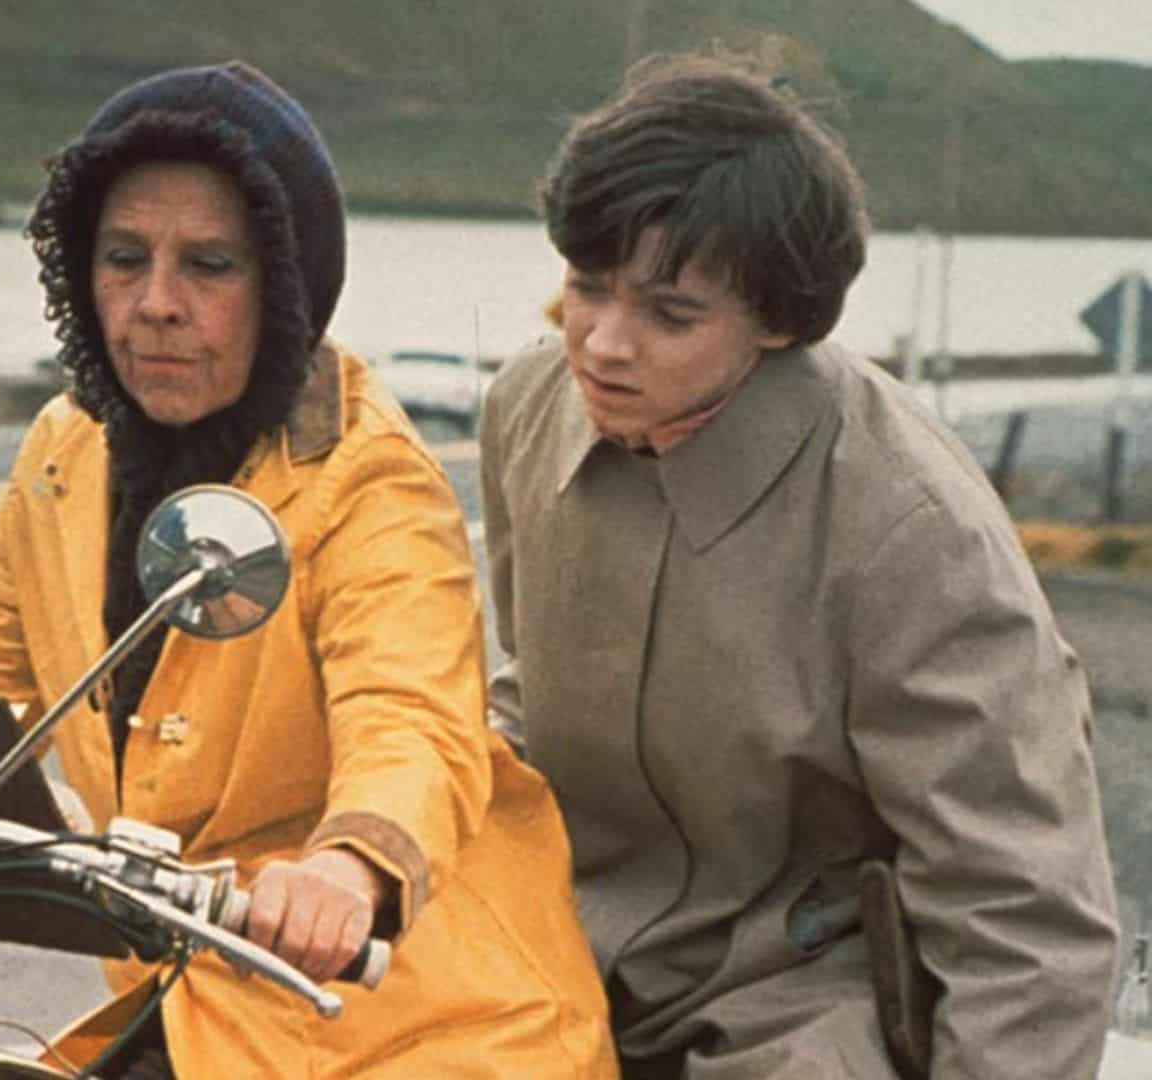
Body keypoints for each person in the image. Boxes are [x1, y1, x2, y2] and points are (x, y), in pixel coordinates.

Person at [0, 61, 616, 1077]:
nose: (156, 304)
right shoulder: (64, 448)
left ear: (287, 279)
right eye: (124, 258)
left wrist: (350, 865)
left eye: (209, 266)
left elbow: (413, 717)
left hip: (413, 1007)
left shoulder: (366, 475)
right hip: (204, 998)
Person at [479, 53, 1120, 1078]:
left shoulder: (913, 531)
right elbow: (522, 690)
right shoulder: (524, 404)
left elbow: (1025, 915)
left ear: (778, 320)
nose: (601, 344)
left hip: (797, 998)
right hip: (545, 946)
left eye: (669, 313)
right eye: (586, 287)